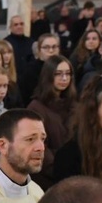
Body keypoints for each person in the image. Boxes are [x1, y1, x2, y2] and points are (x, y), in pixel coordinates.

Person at [27, 55, 77, 188]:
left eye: (68, 74)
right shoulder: (36, 107)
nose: (64, 78)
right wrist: (60, 168)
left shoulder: (75, 105)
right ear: (48, 76)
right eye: (58, 74)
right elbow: (38, 146)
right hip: (48, 178)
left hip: (75, 174)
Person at [19, 33, 60, 102]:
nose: (51, 51)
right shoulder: (30, 70)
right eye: (46, 47)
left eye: (54, 47)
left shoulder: (63, 66)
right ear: (39, 50)